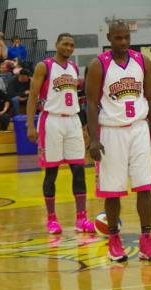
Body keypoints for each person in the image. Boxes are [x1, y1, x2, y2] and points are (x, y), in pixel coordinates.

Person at [86, 21, 151, 262]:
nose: (123, 42)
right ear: (109, 37)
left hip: (139, 128)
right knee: (113, 191)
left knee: (144, 186)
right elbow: (90, 103)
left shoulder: (143, 61)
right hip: (111, 131)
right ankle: (114, 239)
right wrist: (93, 139)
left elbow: (150, 99)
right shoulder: (98, 65)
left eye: (126, 38)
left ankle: (146, 241)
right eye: (118, 38)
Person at [26, 33, 95, 235]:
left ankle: (81, 218)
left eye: (72, 45)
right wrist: (30, 125)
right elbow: (32, 96)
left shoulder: (73, 67)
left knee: (79, 170)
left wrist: (83, 127)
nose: (68, 47)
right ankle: (51, 219)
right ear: (56, 44)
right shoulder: (44, 66)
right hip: (52, 120)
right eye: (65, 44)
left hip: (72, 120)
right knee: (51, 172)